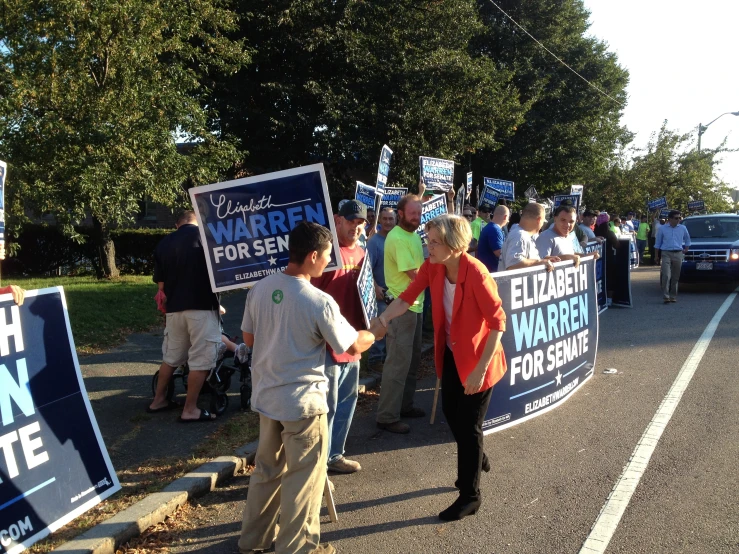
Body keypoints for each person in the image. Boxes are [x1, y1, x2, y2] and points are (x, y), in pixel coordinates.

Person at [238, 221, 385, 554]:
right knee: (304, 481)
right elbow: (350, 347)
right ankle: (299, 548)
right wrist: (373, 331)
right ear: (314, 256)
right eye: (328, 256)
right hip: (303, 404)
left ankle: (252, 541)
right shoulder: (319, 301)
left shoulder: (260, 288)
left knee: (266, 472)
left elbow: (249, 338)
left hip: (267, 398)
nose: (330, 261)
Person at [379, 214, 506, 521]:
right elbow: (406, 298)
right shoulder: (432, 267)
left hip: (480, 361)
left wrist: (479, 370)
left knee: (469, 427)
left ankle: (470, 495)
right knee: (452, 415)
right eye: (428, 240)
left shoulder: (476, 273)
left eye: (434, 241)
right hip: (450, 354)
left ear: (454, 243)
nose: (428, 246)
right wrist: (383, 320)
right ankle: (477, 457)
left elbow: (498, 323)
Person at [311, 200, 368, 475]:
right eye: (351, 221)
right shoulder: (326, 253)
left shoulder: (361, 254)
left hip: (352, 338)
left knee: (347, 399)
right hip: (327, 340)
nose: (355, 227)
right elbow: (310, 293)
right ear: (338, 219)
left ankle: (334, 455)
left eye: (360, 223)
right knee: (328, 404)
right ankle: (318, 463)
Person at [149, 211, 220, 422]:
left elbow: (161, 289)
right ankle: (190, 409)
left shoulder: (164, 243)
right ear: (197, 220)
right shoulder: (209, 238)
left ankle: (158, 400)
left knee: (171, 358)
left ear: (177, 224)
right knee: (201, 360)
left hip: (174, 311)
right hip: (202, 307)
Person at [376, 194, 425, 434]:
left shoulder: (413, 235)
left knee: (412, 361)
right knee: (397, 364)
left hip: (415, 306)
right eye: (413, 213)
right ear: (401, 213)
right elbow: (415, 275)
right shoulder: (397, 238)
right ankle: (387, 416)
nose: (417, 217)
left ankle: (404, 406)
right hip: (401, 309)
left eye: (419, 212)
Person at [366, 207, 396, 372]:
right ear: (379, 220)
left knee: (391, 330)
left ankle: (384, 359)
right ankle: (374, 361)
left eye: (391, 219)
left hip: (395, 293)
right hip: (381, 293)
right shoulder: (374, 242)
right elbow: (367, 268)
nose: (388, 222)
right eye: (384, 219)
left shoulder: (397, 239)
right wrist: (376, 287)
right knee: (379, 328)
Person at [499, 202, 559, 272]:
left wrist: (544, 260)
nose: (542, 225)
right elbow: (513, 264)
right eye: (543, 221)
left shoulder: (519, 233)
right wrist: (541, 262)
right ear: (539, 220)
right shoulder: (520, 235)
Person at [655, 210, 690, 303]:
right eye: (676, 218)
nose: (678, 220)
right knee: (666, 275)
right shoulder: (663, 228)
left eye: (679, 218)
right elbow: (657, 243)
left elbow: (687, 238)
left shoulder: (682, 228)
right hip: (666, 253)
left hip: (678, 253)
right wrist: (656, 256)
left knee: (675, 276)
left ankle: (673, 295)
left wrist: (686, 248)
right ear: (670, 219)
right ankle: (666, 296)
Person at [595, 212, 620, 305]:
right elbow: (617, 244)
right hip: (609, 258)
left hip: (598, 259)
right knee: (610, 278)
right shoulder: (609, 232)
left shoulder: (595, 232)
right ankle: (609, 299)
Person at [477, 205, 510, 272]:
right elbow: (499, 253)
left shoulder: (491, 227)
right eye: (508, 218)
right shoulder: (494, 229)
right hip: (491, 272)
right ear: (505, 217)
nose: (508, 221)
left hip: (486, 270)